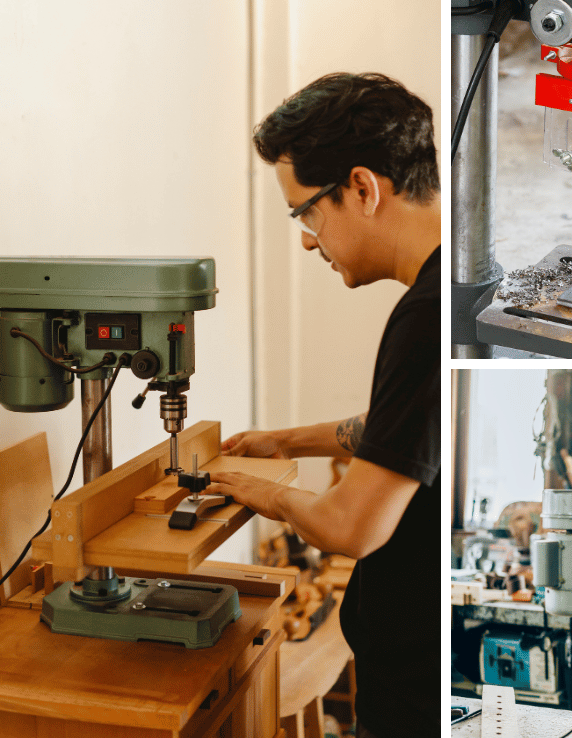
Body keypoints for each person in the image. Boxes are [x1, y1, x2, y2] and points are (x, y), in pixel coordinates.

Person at [202, 72, 440, 738]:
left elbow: (350, 527)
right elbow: (402, 431)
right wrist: (286, 442)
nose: (307, 239)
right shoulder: (457, 285)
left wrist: (250, 490)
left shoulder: (424, 318)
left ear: (361, 188)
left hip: (413, 701)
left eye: (305, 211)